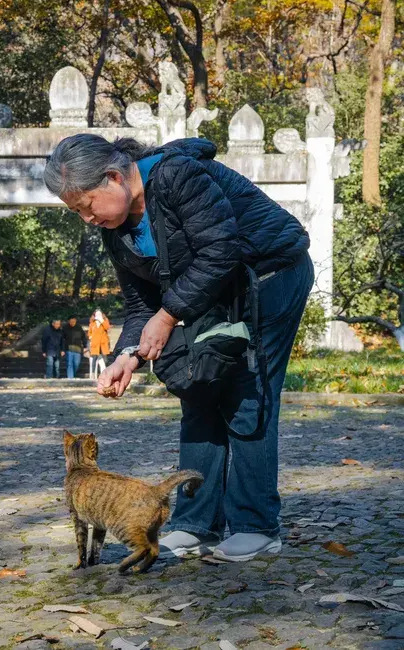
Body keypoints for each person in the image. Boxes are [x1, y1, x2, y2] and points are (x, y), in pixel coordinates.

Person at [44, 133, 314, 563]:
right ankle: (195, 522)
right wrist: (126, 357)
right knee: (198, 389)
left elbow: (219, 251)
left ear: (113, 177)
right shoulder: (116, 230)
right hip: (215, 292)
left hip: (270, 278)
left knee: (247, 391)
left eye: (86, 206)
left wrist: (168, 316)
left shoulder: (176, 176)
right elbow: (140, 304)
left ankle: (255, 525)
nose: (87, 219)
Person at [87, 308, 111, 379]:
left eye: (99, 314)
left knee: (105, 360)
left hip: (103, 344)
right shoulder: (92, 323)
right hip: (95, 344)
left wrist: (102, 321)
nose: (98, 315)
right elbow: (89, 332)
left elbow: (107, 327)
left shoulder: (105, 321)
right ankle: (93, 375)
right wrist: (90, 337)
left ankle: (104, 374)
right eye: (96, 314)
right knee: (94, 359)